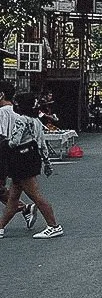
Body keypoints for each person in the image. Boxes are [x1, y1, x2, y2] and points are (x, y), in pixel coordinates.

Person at [0, 91, 62, 239]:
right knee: (13, 197)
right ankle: (0, 226)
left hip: (20, 160)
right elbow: (42, 144)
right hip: (32, 157)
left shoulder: (21, 120)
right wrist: (47, 163)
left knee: (35, 195)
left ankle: (54, 226)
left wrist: (3, 143)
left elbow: (14, 142)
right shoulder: (36, 121)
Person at [0, 80, 39, 231]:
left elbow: (2, 136)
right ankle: (24, 208)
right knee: (10, 189)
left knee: (31, 192)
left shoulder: (2, 113)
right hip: (16, 155)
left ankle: (27, 209)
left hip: (4, 154)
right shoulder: (18, 112)